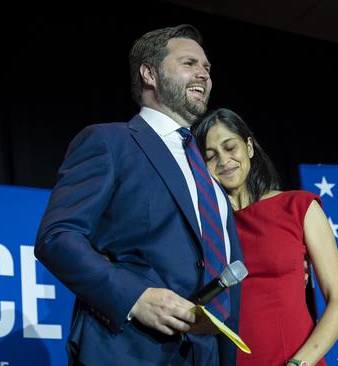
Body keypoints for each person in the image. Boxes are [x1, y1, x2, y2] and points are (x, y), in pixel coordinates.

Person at [34, 25, 244, 365]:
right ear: (150, 73)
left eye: (207, 68)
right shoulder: (110, 143)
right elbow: (57, 238)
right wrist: (137, 298)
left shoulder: (209, 176)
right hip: (129, 349)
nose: (203, 74)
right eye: (190, 62)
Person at [192, 108, 338, 366]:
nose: (223, 160)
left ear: (250, 147)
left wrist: (299, 363)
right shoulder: (205, 228)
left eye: (230, 147)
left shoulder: (299, 206)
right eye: (211, 156)